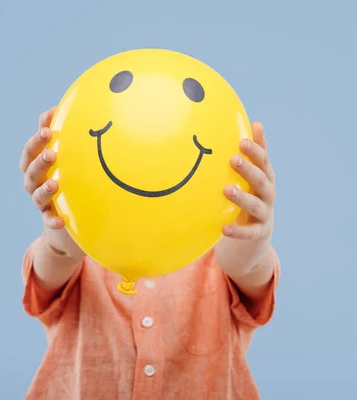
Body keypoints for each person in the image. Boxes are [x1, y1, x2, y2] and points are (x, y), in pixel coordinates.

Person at [19, 107, 281, 400]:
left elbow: (246, 265)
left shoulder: (220, 255)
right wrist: (63, 217)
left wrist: (250, 227)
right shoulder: (79, 254)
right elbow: (57, 256)